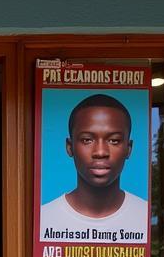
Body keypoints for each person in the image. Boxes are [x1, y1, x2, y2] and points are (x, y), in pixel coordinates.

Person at [39, 94, 147, 242]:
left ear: (128, 149)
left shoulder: (145, 215)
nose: (100, 152)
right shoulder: (44, 219)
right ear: (70, 147)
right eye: (87, 140)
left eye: (114, 140)